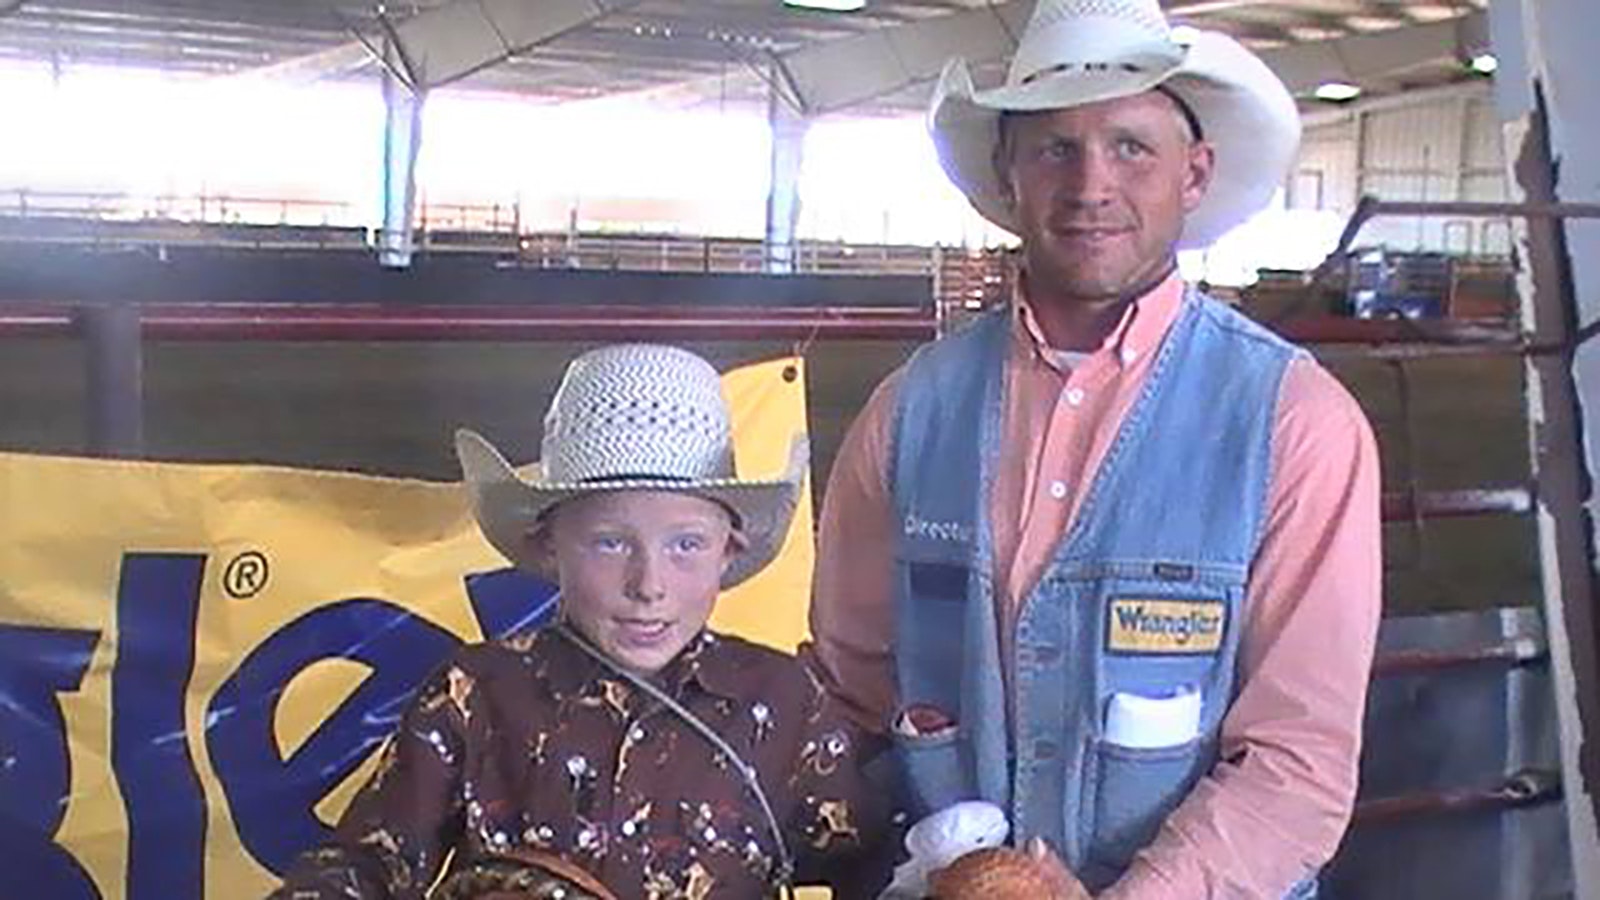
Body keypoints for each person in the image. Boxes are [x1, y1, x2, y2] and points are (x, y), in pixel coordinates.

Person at [803, 1, 1381, 898]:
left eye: (1130, 147)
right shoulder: (909, 413)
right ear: (1010, 173)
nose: (1090, 186)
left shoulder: (1296, 422)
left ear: (1195, 173)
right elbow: (854, 697)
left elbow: (1297, 764)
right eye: (1055, 149)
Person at [273, 344, 891, 899]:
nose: (649, 586)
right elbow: (368, 862)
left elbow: (871, 863)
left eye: (686, 546)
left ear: (729, 549)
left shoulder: (783, 702)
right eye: (609, 543)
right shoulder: (476, 695)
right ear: (547, 545)